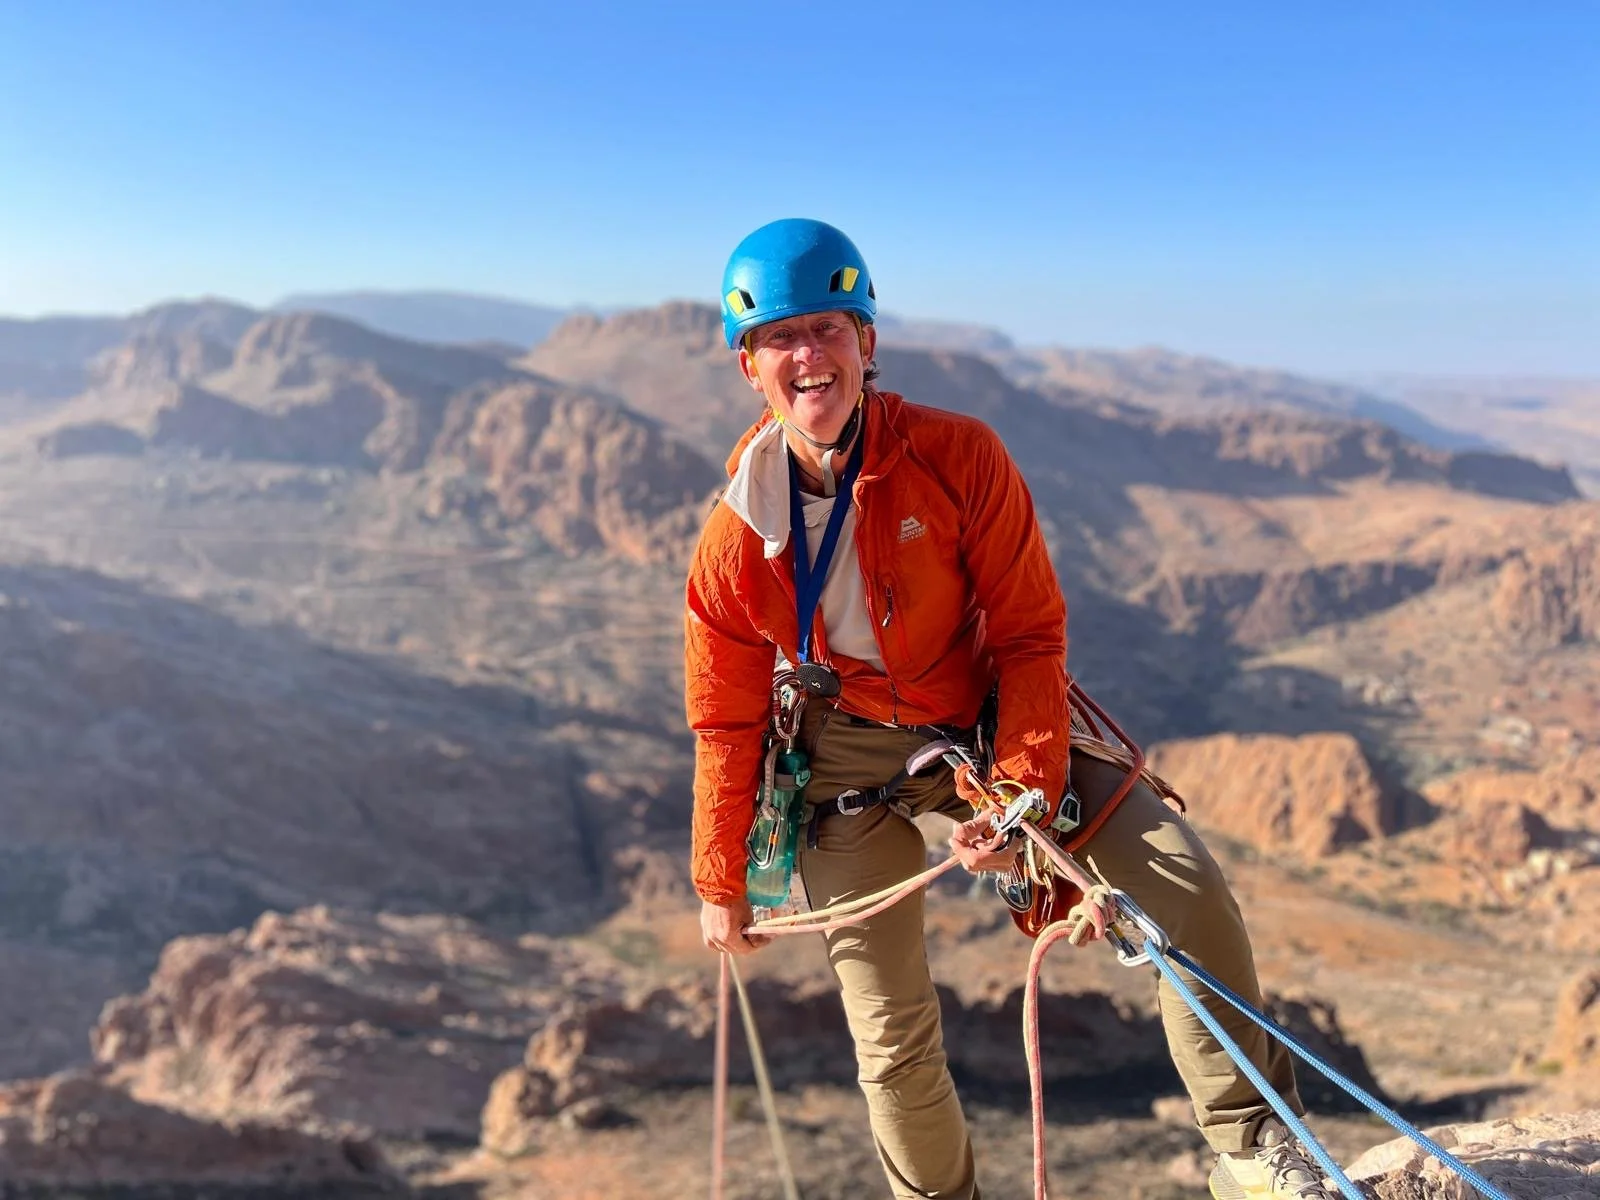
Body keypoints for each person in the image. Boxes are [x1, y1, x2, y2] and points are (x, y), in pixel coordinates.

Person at [684, 217, 1333, 1200]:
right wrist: (718, 878)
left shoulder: (956, 456)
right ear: (749, 366)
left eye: (827, 328)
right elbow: (726, 718)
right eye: (781, 337)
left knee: (1181, 885)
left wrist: (1024, 789)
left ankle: (1249, 1146)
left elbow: (1028, 631)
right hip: (842, 758)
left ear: (867, 343)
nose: (807, 355)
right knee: (891, 1034)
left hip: (976, 720)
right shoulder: (736, 542)